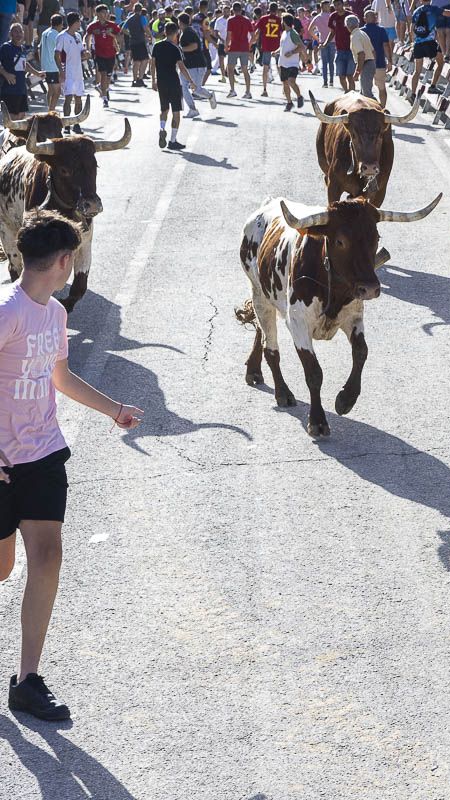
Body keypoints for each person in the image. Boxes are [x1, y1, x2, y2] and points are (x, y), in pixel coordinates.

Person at [1, 210, 143, 723]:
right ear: (63, 261)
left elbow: (59, 377)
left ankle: (26, 680)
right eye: (74, 259)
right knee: (2, 567)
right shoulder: (7, 311)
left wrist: (113, 409)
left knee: (47, 555)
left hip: (42, 454)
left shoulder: (56, 316)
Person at [152, 20, 202, 149]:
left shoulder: (157, 46)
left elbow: (152, 64)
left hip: (161, 81)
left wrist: (153, 80)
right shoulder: (176, 48)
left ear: (164, 32)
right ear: (176, 33)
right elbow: (181, 67)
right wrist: (191, 81)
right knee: (176, 111)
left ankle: (162, 128)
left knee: (164, 109)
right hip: (173, 82)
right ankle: (172, 140)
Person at [177, 11, 216, 115]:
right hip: (188, 65)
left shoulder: (188, 32)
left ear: (180, 22)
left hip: (196, 65)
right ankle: (193, 109)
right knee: (184, 87)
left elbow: (194, 46)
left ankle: (210, 96)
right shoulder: (185, 32)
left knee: (196, 90)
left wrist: (180, 49)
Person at [0, 22, 40, 119]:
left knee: (21, 117)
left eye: (20, 31)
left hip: (21, 89)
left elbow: (24, 64)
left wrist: (37, 73)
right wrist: (6, 74)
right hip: (10, 90)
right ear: (10, 34)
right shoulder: (6, 47)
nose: (19, 34)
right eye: (16, 32)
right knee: (12, 119)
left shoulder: (22, 48)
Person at [84, 3, 120, 105]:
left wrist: (111, 34)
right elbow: (87, 37)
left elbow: (119, 37)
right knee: (103, 74)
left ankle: (103, 88)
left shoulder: (112, 25)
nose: (105, 14)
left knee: (108, 76)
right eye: (103, 12)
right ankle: (105, 98)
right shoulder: (93, 26)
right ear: (97, 14)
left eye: (106, 12)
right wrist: (87, 48)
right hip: (99, 54)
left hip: (111, 53)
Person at [53, 11, 83, 126]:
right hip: (68, 72)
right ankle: (66, 124)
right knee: (68, 98)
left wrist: (85, 53)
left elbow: (81, 51)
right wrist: (61, 71)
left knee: (79, 98)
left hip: (78, 72)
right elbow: (56, 55)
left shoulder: (78, 36)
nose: (80, 23)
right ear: (75, 23)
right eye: (79, 21)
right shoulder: (62, 36)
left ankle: (76, 124)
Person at [406, 0, 439, 97]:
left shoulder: (416, 11)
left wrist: (412, 42)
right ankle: (433, 85)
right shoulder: (434, 9)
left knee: (417, 71)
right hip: (430, 43)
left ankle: (413, 93)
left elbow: (411, 29)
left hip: (418, 44)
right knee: (441, 63)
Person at [224, 0, 253, 96]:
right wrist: (249, 44)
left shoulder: (230, 20)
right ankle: (248, 91)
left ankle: (232, 90)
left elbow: (229, 36)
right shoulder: (247, 20)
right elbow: (253, 35)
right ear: (241, 10)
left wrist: (226, 46)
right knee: (245, 70)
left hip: (234, 47)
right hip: (244, 47)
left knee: (230, 69)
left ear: (233, 10)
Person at [252, 0, 280, 95]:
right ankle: (285, 88)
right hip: (276, 45)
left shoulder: (263, 19)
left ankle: (264, 89)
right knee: (279, 66)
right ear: (276, 10)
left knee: (265, 67)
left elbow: (257, 32)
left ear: (269, 9)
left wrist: (252, 42)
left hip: (266, 45)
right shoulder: (279, 20)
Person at [359, 8, 388, 100]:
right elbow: (386, 46)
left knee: (365, 90)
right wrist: (390, 61)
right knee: (382, 88)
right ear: (375, 18)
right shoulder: (381, 30)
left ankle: (368, 111)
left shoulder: (361, 32)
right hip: (379, 63)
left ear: (364, 19)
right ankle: (382, 110)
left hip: (366, 64)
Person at [277, 10, 302, 107]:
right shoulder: (284, 33)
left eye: (282, 21)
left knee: (291, 81)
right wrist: (277, 51)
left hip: (292, 63)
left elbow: (301, 47)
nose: (281, 23)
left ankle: (299, 96)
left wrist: (292, 52)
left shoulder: (293, 33)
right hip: (282, 63)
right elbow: (283, 46)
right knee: (285, 84)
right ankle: (289, 102)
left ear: (285, 22)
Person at [325, 0, 351, 91]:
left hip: (351, 50)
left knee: (349, 75)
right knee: (341, 75)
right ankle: (347, 92)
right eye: (335, 5)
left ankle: (352, 95)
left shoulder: (350, 16)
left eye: (339, 4)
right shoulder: (333, 16)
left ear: (343, 4)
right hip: (339, 49)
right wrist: (326, 43)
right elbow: (332, 32)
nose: (337, 7)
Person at [38, 14, 62, 111]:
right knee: (57, 91)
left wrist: (41, 63)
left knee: (51, 89)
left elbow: (39, 48)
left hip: (45, 66)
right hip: (53, 67)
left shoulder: (45, 32)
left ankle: (50, 109)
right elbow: (59, 52)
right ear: (60, 24)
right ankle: (51, 111)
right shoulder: (56, 35)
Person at [121, 1, 147, 85]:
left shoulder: (130, 18)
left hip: (133, 41)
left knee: (136, 61)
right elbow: (145, 28)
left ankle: (134, 80)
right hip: (140, 41)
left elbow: (123, 29)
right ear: (141, 10)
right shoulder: (142, 18)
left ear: (134, 9)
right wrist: (149, 35)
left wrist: (130, 33)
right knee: (145, 60)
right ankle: (140, 78)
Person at [311, 0, 331, 84]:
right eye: (327, 6)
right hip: (327, 41)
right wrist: (317, 39)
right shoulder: (331, 16)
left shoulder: (319, 17)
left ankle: (327, 80)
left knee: (325, 61)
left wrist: (316, 39)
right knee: (327, 61)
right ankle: (328, 80)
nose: (329, 7)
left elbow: (310, 30)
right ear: (322, 7)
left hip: (324, 41)